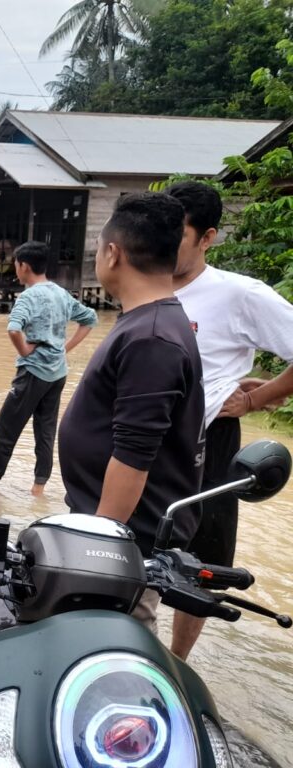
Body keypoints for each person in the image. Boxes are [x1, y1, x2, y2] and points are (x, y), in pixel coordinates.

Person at [58, 192, 205, 634]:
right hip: (113, 532)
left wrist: (96, 551)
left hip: (124, 549)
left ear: (113, 253)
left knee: (109, 653)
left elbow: (134, 457)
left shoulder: (152, 338)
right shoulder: (148, 321)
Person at [165, 181, 293, 659]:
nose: (161, 244)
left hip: (211, 443)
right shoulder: (143, 286)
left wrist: (261, 399)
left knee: (203, 563)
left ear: (207, 238)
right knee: (130, 545)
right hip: (147, 438)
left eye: (176, 235)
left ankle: (176, 661)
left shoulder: (239, 294)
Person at [0, 241, 97, 497]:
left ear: (24, 266)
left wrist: (24, 351)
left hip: (33, 372)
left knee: (5, 427)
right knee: (46, 430)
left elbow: (13, 328)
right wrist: (64, 349)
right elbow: (90, 319)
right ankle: (38, 488)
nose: (15, 270)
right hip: (58, 374)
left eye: (16, 265)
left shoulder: (29, 296)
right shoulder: (60, 293)